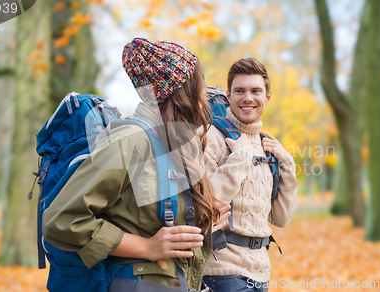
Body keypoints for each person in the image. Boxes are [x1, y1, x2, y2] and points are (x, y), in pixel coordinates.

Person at [42, 37, 229, 292]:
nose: (205, 93)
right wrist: (147, 247)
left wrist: (204, 216)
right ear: (180, 89)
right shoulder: (130, 141)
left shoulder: (177, 143)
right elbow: (62, 220)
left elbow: (144, 216)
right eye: (200, 82)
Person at [201, 58, 299, 292]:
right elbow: (203, 208)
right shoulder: (210, 137)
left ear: (267, 96)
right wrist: (239, 159)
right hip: (221, 271)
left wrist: (286, 163)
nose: (248, 98)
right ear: (229, 94)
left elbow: (281, 218)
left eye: (256, 91)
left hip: (261, 271)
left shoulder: (268, 144)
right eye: (240, 91)